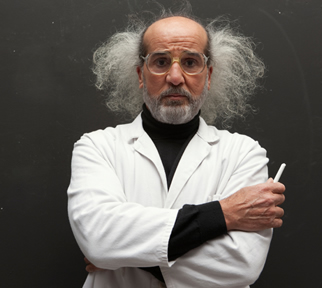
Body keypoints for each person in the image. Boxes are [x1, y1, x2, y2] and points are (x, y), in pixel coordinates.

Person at [67, 4, 285, 288]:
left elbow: (241, 265)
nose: (175, 77)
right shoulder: (97, 147)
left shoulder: (244, 153)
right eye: (160, 62)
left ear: (208, 76)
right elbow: (99, 239)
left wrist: (127, 256)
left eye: (191, 62)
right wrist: (223, 214)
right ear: (140, 75)